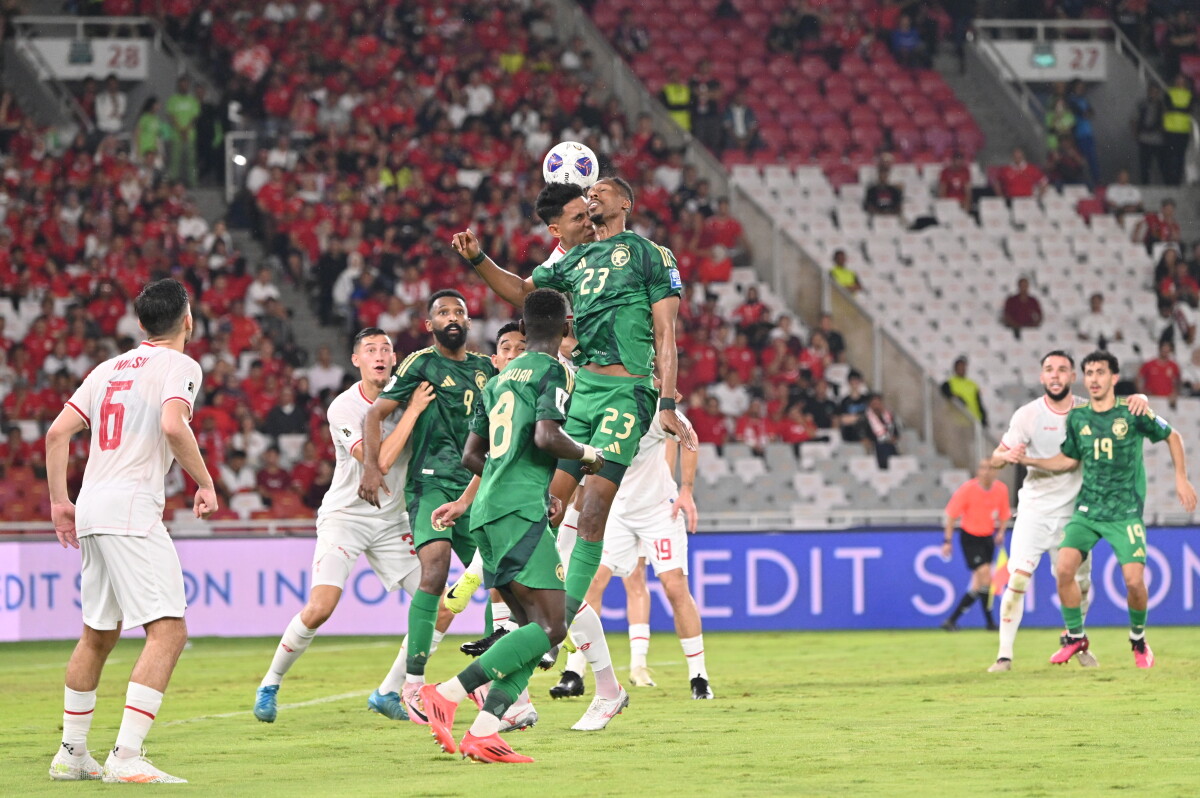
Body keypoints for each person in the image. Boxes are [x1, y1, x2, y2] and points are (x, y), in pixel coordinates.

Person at [450, 176, 696, 688]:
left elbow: (665, 333)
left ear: (625, 202)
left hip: (626, 393)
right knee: (547, 505)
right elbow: (522, 292)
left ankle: (552, 629)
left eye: (603, 190)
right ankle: (523, 622)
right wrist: (477, 260)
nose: (593, 195)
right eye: (589, 194)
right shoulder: (572, 260)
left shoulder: (651, 255)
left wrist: (668, 401)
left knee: (592, 515)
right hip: (581, 389)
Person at [420, 288, 607, 763]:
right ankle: (446, 692)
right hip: (518, 511)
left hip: (486, 511)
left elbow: (471, 455)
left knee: (530, 630)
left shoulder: (498, 380)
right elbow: (547, 435)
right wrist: (587, 454)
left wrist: (514, 475)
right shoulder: (553, 369)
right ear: (566, 327)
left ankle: (484, 732)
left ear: (524, 328)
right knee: (553, 627)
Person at [45, 279, 214, 784]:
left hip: (92, 507)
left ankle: (72, 754)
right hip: (132, 510)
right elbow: (172, 425)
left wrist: (59, 502)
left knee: (97, 634)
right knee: (169, 631)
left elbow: (56, 433)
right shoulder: (180, 365)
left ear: (140, 323)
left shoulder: (106, 369)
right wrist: (205, 482)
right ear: (188, 320)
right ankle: (126, 756)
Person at [252, 328, 442, 724]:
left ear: (395, 359)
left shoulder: (410, 395)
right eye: (370, 350)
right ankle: (270, 682)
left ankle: (388, 691)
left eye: (386, 349)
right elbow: (377, 462)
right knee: (320, 608)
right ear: (356, 360)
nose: (379, 355)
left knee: (439, 608)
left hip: (392, 520)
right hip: (346, 517)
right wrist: (412, 412)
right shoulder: (344, 407)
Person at [1004, 351, 1197, 668]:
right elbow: (1067, 460)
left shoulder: (1132, 411)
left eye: (1100, 372)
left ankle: (1138, 639)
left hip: (1124, 512)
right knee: (1064, 569)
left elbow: (1172, 436)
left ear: (1114, 378)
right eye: (1089, 373)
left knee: (1134, 582)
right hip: (1087, 511)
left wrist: (1181, 478)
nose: (1094, 379)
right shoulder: (1077, 418)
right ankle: (1075, 637)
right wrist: (1027, 460)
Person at [357, 291, 497, 723]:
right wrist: (371, 469)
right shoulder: (419, 364)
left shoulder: (486, 368)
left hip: (476, 488)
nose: (451, 317)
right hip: (432, 484)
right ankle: (413, 685)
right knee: (434, 572)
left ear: (469, 322)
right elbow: (374, 415)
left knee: (501, 580)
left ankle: (490, 680)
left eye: (459, 312)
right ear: (429, 324)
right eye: (442, 313)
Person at [987, 351, 1151, 671]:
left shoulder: (1087, 410)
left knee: (1081, 583)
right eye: (1049, 369)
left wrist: (1141, 398)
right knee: (1017, 580)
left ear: (1073, 377)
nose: (1055, 375)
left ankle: (1075, 640)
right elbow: (996, 457)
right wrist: (1005, 457)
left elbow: (1121, 408)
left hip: (1076, 513)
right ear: (1042, 377)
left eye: (1062, 369)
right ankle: (1004, 656)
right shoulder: (1027, 415)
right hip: (1034, 511)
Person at [575, 380, 712, 699]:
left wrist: (687, 490)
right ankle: (575, 671)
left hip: (657, 509)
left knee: (674, 587)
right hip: (618, 508)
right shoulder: (601, 405)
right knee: (593, 583)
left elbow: (689, 437)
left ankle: (699, 676)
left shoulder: (657, 407)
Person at [940, 459, 1010, 632]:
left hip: (987, 538)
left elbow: (1004, 514)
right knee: (986, 576)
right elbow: (951, 515)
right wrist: (947, 541)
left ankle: (951, 621)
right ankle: (990, 623)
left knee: (978, 585)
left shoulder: (1001, 489)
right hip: (970, 538)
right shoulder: (968, 489)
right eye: (983, 468)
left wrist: (1001, 532)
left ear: (996, 471)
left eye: (990, 468)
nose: (986, 471)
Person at [1162, 74, 1194, 187]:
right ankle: (1168, 181)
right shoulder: (1169, 92)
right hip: (1170, 130)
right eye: (1178, 79)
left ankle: (1177, 181)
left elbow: (1188, 109)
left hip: (1183, 130)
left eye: (1181, 80)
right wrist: (1181, 109)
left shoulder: (1189, 95)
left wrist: (1177, 109)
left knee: (1180, 157)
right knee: (1169, 156)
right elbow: (1170, 107)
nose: (1179, 82)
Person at [941, 356, 987, 425]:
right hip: (957, 423)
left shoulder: (973, 384)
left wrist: (983, 419)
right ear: (955, 369)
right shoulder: (948, 383)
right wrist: (955, 397)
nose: (961, 369)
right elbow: (944, 393)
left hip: (973, 421)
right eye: (959, 367)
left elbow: (979, 404)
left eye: (963, 367)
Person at [1138, 340, 1181, 407]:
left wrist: (1175, 393)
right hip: (1151, 398)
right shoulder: (1149, 364)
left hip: (1167, 400)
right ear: (1159, 349)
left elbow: (1178, 381)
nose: (1165, 353)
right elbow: (1139, 378)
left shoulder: (1173, 366)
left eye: (1167, 351)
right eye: (1163, 350)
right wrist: (1142, 392)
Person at [863, 393, 900, 468]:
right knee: (881, 447)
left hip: (888, 444)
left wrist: (891, 439)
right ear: (870, 405)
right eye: (874, 404)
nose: (877, 406)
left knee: (889, 447)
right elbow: (864, 437)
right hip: (875, 446)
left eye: (878, 403)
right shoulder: (865, 419)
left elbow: (895, 434)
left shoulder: (889, 418)